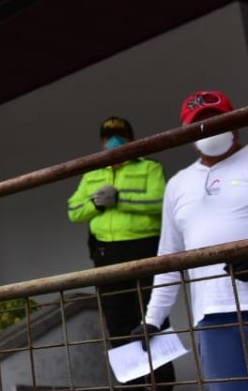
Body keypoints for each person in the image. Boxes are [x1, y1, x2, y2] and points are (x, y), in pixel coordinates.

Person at [135, 90, 248, 391]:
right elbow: (169, 258)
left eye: (217, 119)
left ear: (236, 121)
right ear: (186, 134)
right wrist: (153, 320)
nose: (210, 129)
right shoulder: (177, 185)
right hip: (213, 320)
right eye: (199, 123)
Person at [68, 116, 175, 386]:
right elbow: (73, 211)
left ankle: (162, 385)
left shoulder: (149, 167)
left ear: (132, 138)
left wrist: (121, 199)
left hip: (145, 248)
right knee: (117, 322)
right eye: (109, 135)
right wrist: (98, 205)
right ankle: (133, 383)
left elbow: (160, 200)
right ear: (102, 141)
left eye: (120, 134)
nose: (114, 140)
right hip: (107, 253)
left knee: (154, 319)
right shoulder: (92, 172)